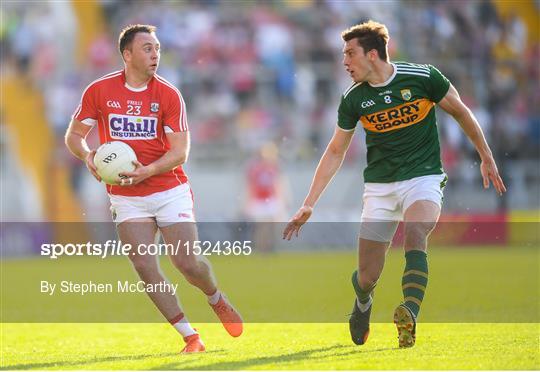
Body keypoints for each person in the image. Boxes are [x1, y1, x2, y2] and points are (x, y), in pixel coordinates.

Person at [283, 20, 506, 348]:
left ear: (372, 54)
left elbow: (460, 111)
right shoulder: (353, 99)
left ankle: (409, 313)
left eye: (350, 54)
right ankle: (362, 302)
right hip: (380, 187)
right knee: (367, 276)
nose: (344, 62)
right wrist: (309, 202)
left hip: (423, 177)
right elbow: (334, 151)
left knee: (416, 232)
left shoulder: (422, 77)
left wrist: (485, 155)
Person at [65, 24, 243, 353]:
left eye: (158, 48)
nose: (156, 54)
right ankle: (191, 337)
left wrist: (148, 170)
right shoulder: (99, 91)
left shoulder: (168, 94)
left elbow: (180, 152)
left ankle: (215, 298)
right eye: (148, 48)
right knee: (145, 266)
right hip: (125, 196)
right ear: (127, 54)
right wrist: (88, 156)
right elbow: (73, 137)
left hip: (168, 188)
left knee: (187, 264)